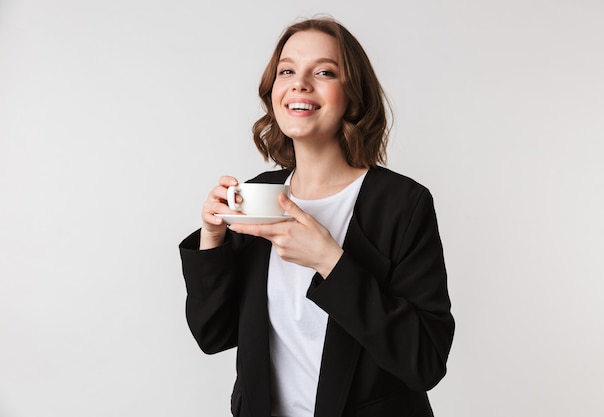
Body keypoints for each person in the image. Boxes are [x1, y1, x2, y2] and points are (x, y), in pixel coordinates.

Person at [179, 16, 454, 417]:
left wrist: (331, 261)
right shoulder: (260, 195)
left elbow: (425, 361)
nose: (299, 83)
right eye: (287, 70)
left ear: (353, 95)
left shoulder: (402, 204)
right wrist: (212, 237)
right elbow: (212, 334)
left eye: (324, 72)